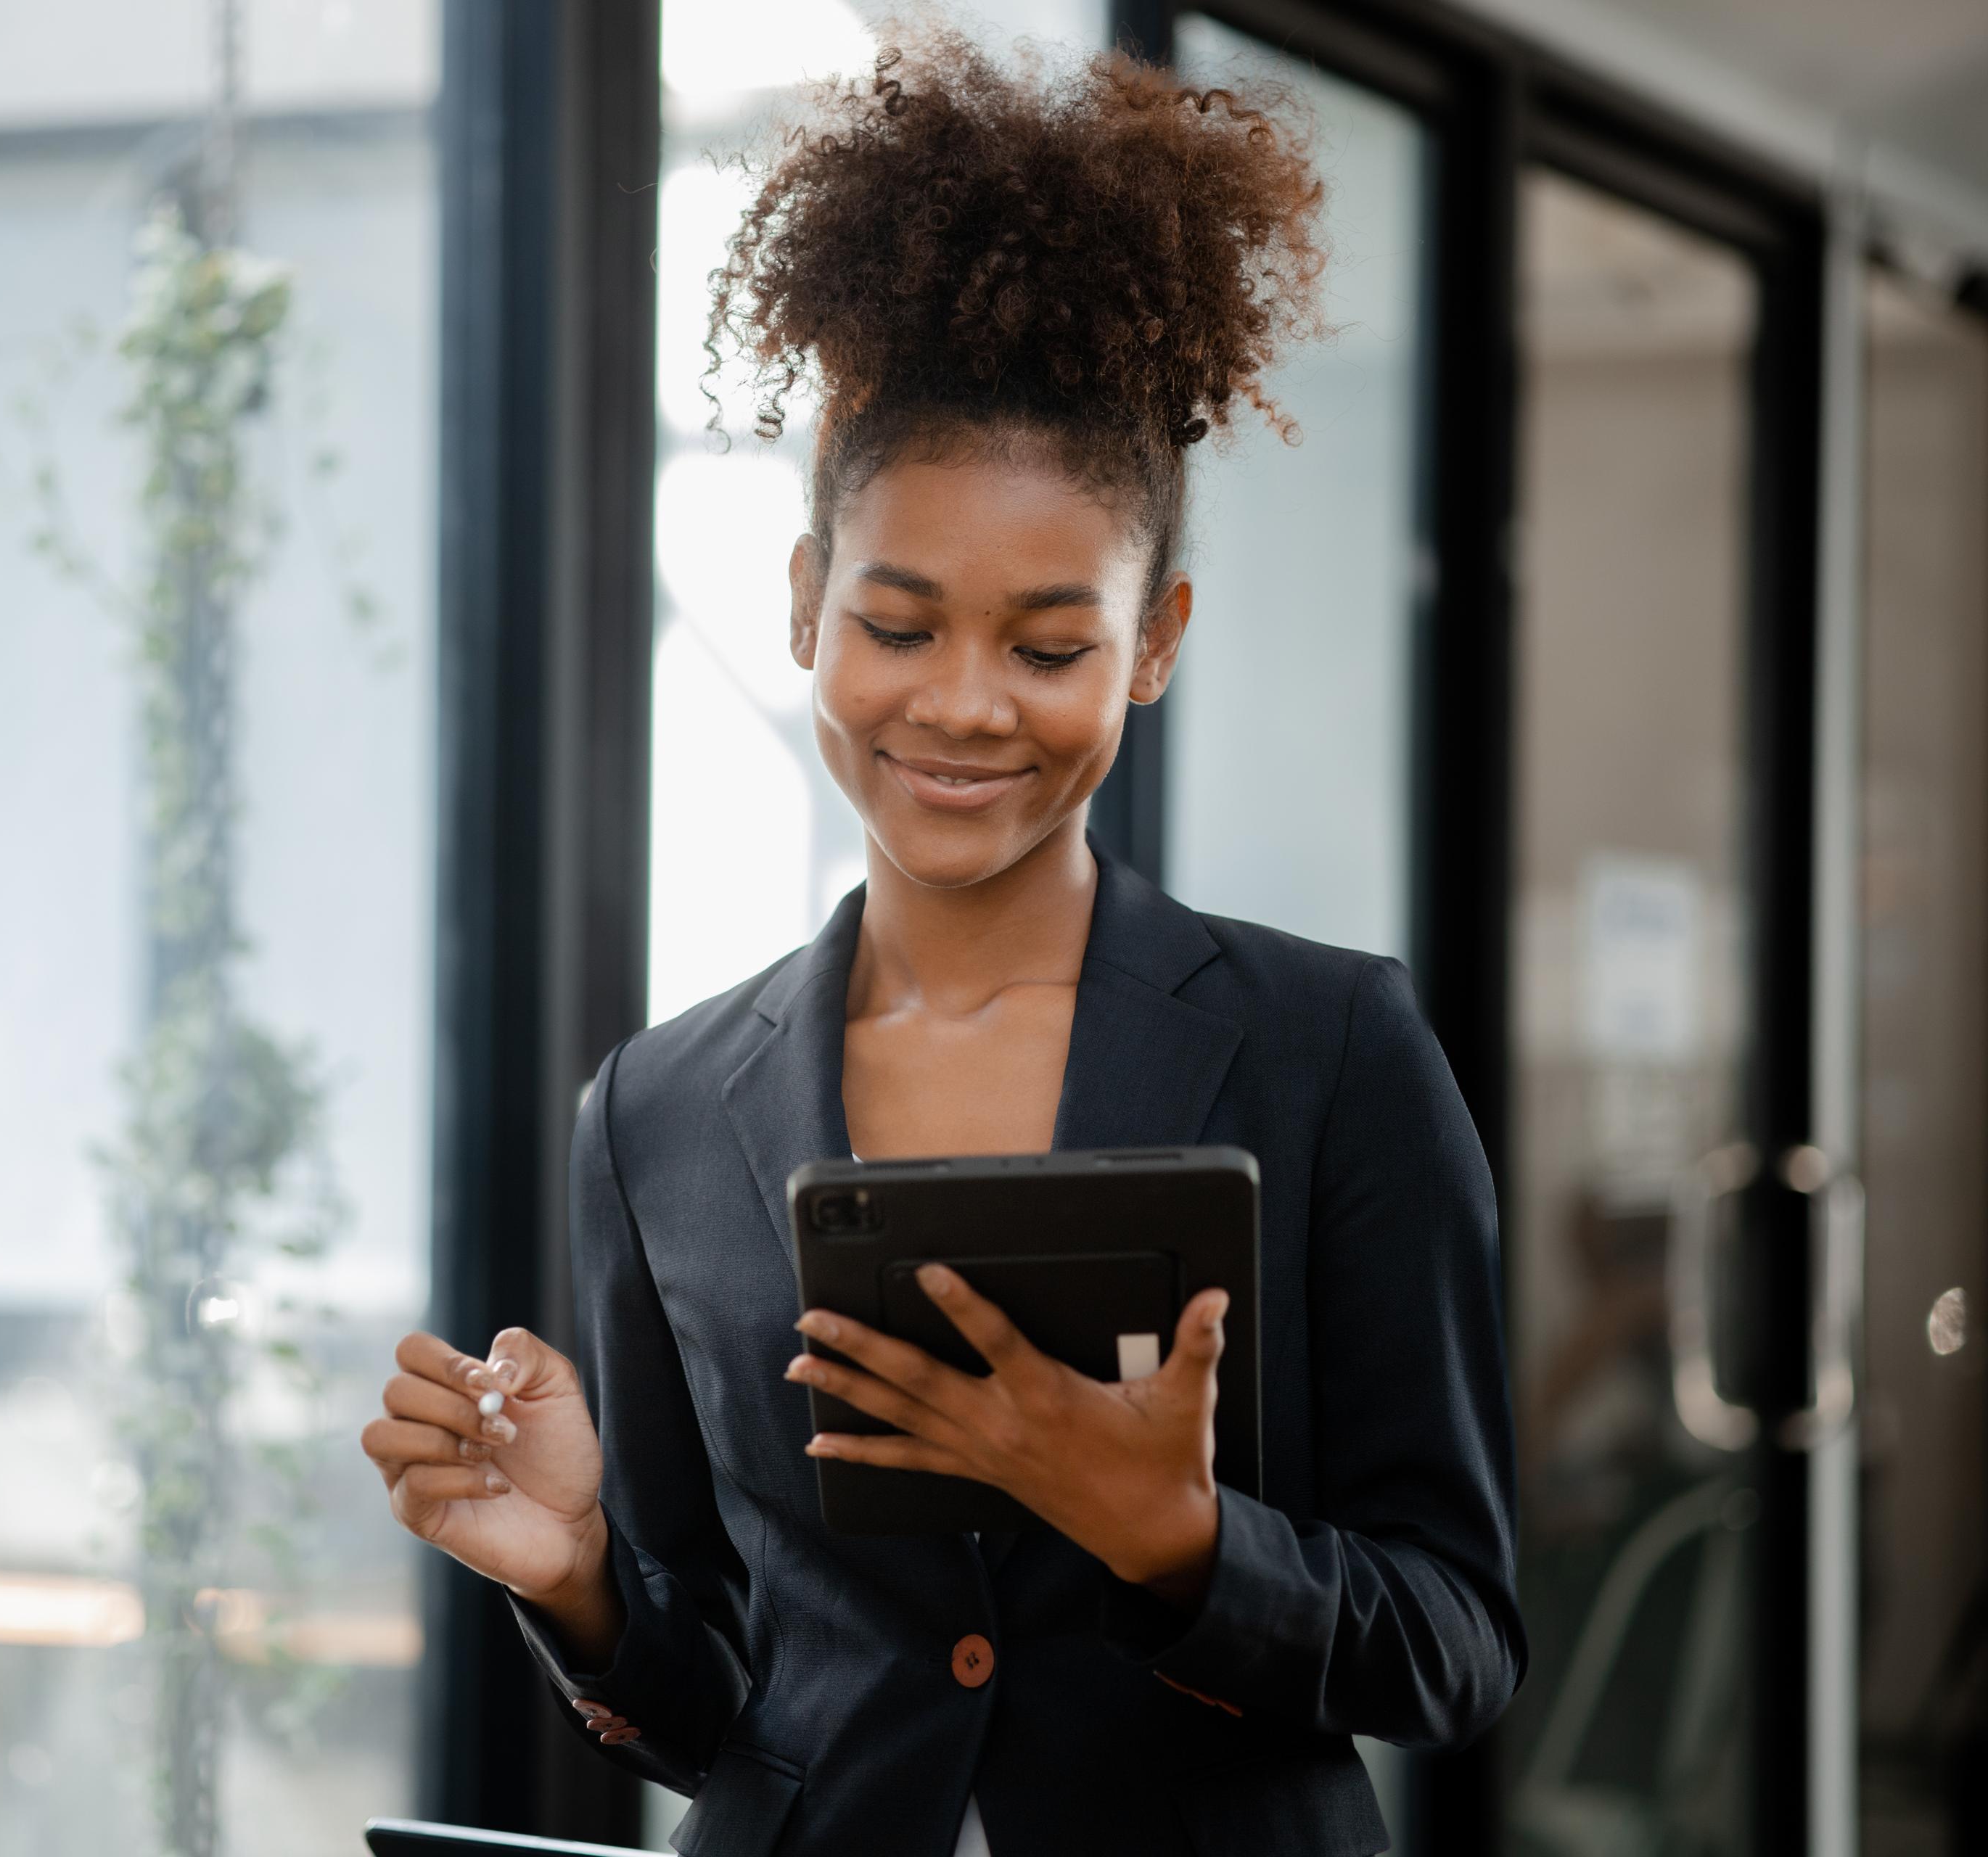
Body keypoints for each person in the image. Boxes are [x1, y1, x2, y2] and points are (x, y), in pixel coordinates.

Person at [361, 33, 1521, 1856]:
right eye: (898, 625)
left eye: (1050, 647)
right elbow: (735, 1706)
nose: (964, 706)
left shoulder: (1332, 1050)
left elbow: (1457, 1640)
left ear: (1157, 639)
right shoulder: (652, 1111)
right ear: (807, 602)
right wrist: (577, 1568)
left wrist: (1180, 1538)